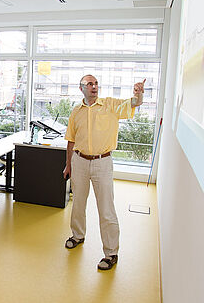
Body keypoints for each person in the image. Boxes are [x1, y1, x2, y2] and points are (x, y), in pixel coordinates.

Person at [62, 75, 145, 271]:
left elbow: (134, 104)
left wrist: (138, 94)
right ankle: (78, 235)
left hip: (102, 162)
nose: (94, 87)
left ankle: (111, 253)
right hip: (79, 161)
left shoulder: (110, 105)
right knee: (78, 204)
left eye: (96, 83)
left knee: (106, 208)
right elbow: (71, 140)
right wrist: (68, 165)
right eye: (89, 84)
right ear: (81, 88)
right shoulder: (76, 111)